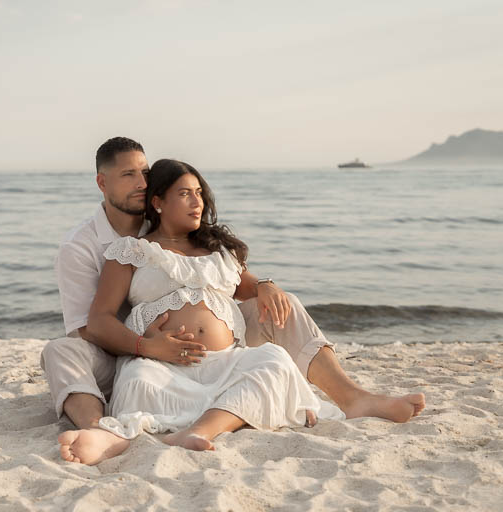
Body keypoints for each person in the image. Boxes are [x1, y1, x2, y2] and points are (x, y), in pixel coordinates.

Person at [44, 137, 425, 465]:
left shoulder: (190, 236)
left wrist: (267, 285)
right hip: (131, 352)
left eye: (144, 172)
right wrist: (147, 346)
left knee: (280, 316)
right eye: (128, 175)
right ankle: (100, 431)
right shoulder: (94, 247)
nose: (141, 182)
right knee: (62, 351)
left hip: (218, 355)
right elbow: (89, 326)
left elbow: (237, 281)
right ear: (102, 182)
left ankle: (352, 397)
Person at [81, 159, 345, 457]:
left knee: (274, 360)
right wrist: (146, 347)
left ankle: (199, 430)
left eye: (199, 193)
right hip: (161, 367)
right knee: (137, 381)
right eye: (184, 194)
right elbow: (99, 321)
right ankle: (220, 420)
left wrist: (266, 284)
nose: (197, 202)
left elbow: (247, 285)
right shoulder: (131, 251)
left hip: (226, 362)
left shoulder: (217, 249)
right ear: (158, 202)